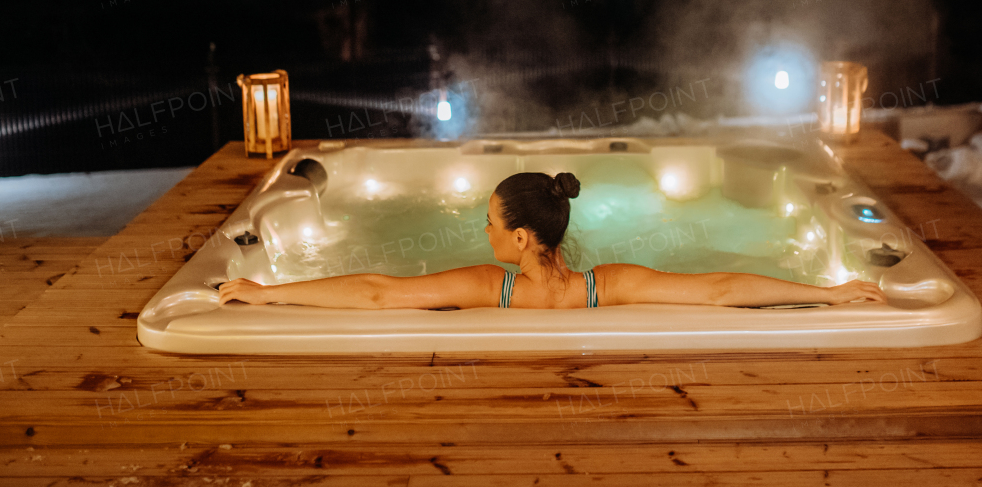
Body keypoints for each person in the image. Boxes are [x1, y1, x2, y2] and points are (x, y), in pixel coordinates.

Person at [217, 171, 887, 309]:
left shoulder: (493, 286)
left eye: (488, 221)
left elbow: (377, 293)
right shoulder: (609, 283)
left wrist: (267, 292)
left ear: (517, 235)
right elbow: (718, 286)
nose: (481, 231)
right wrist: (825, 293)